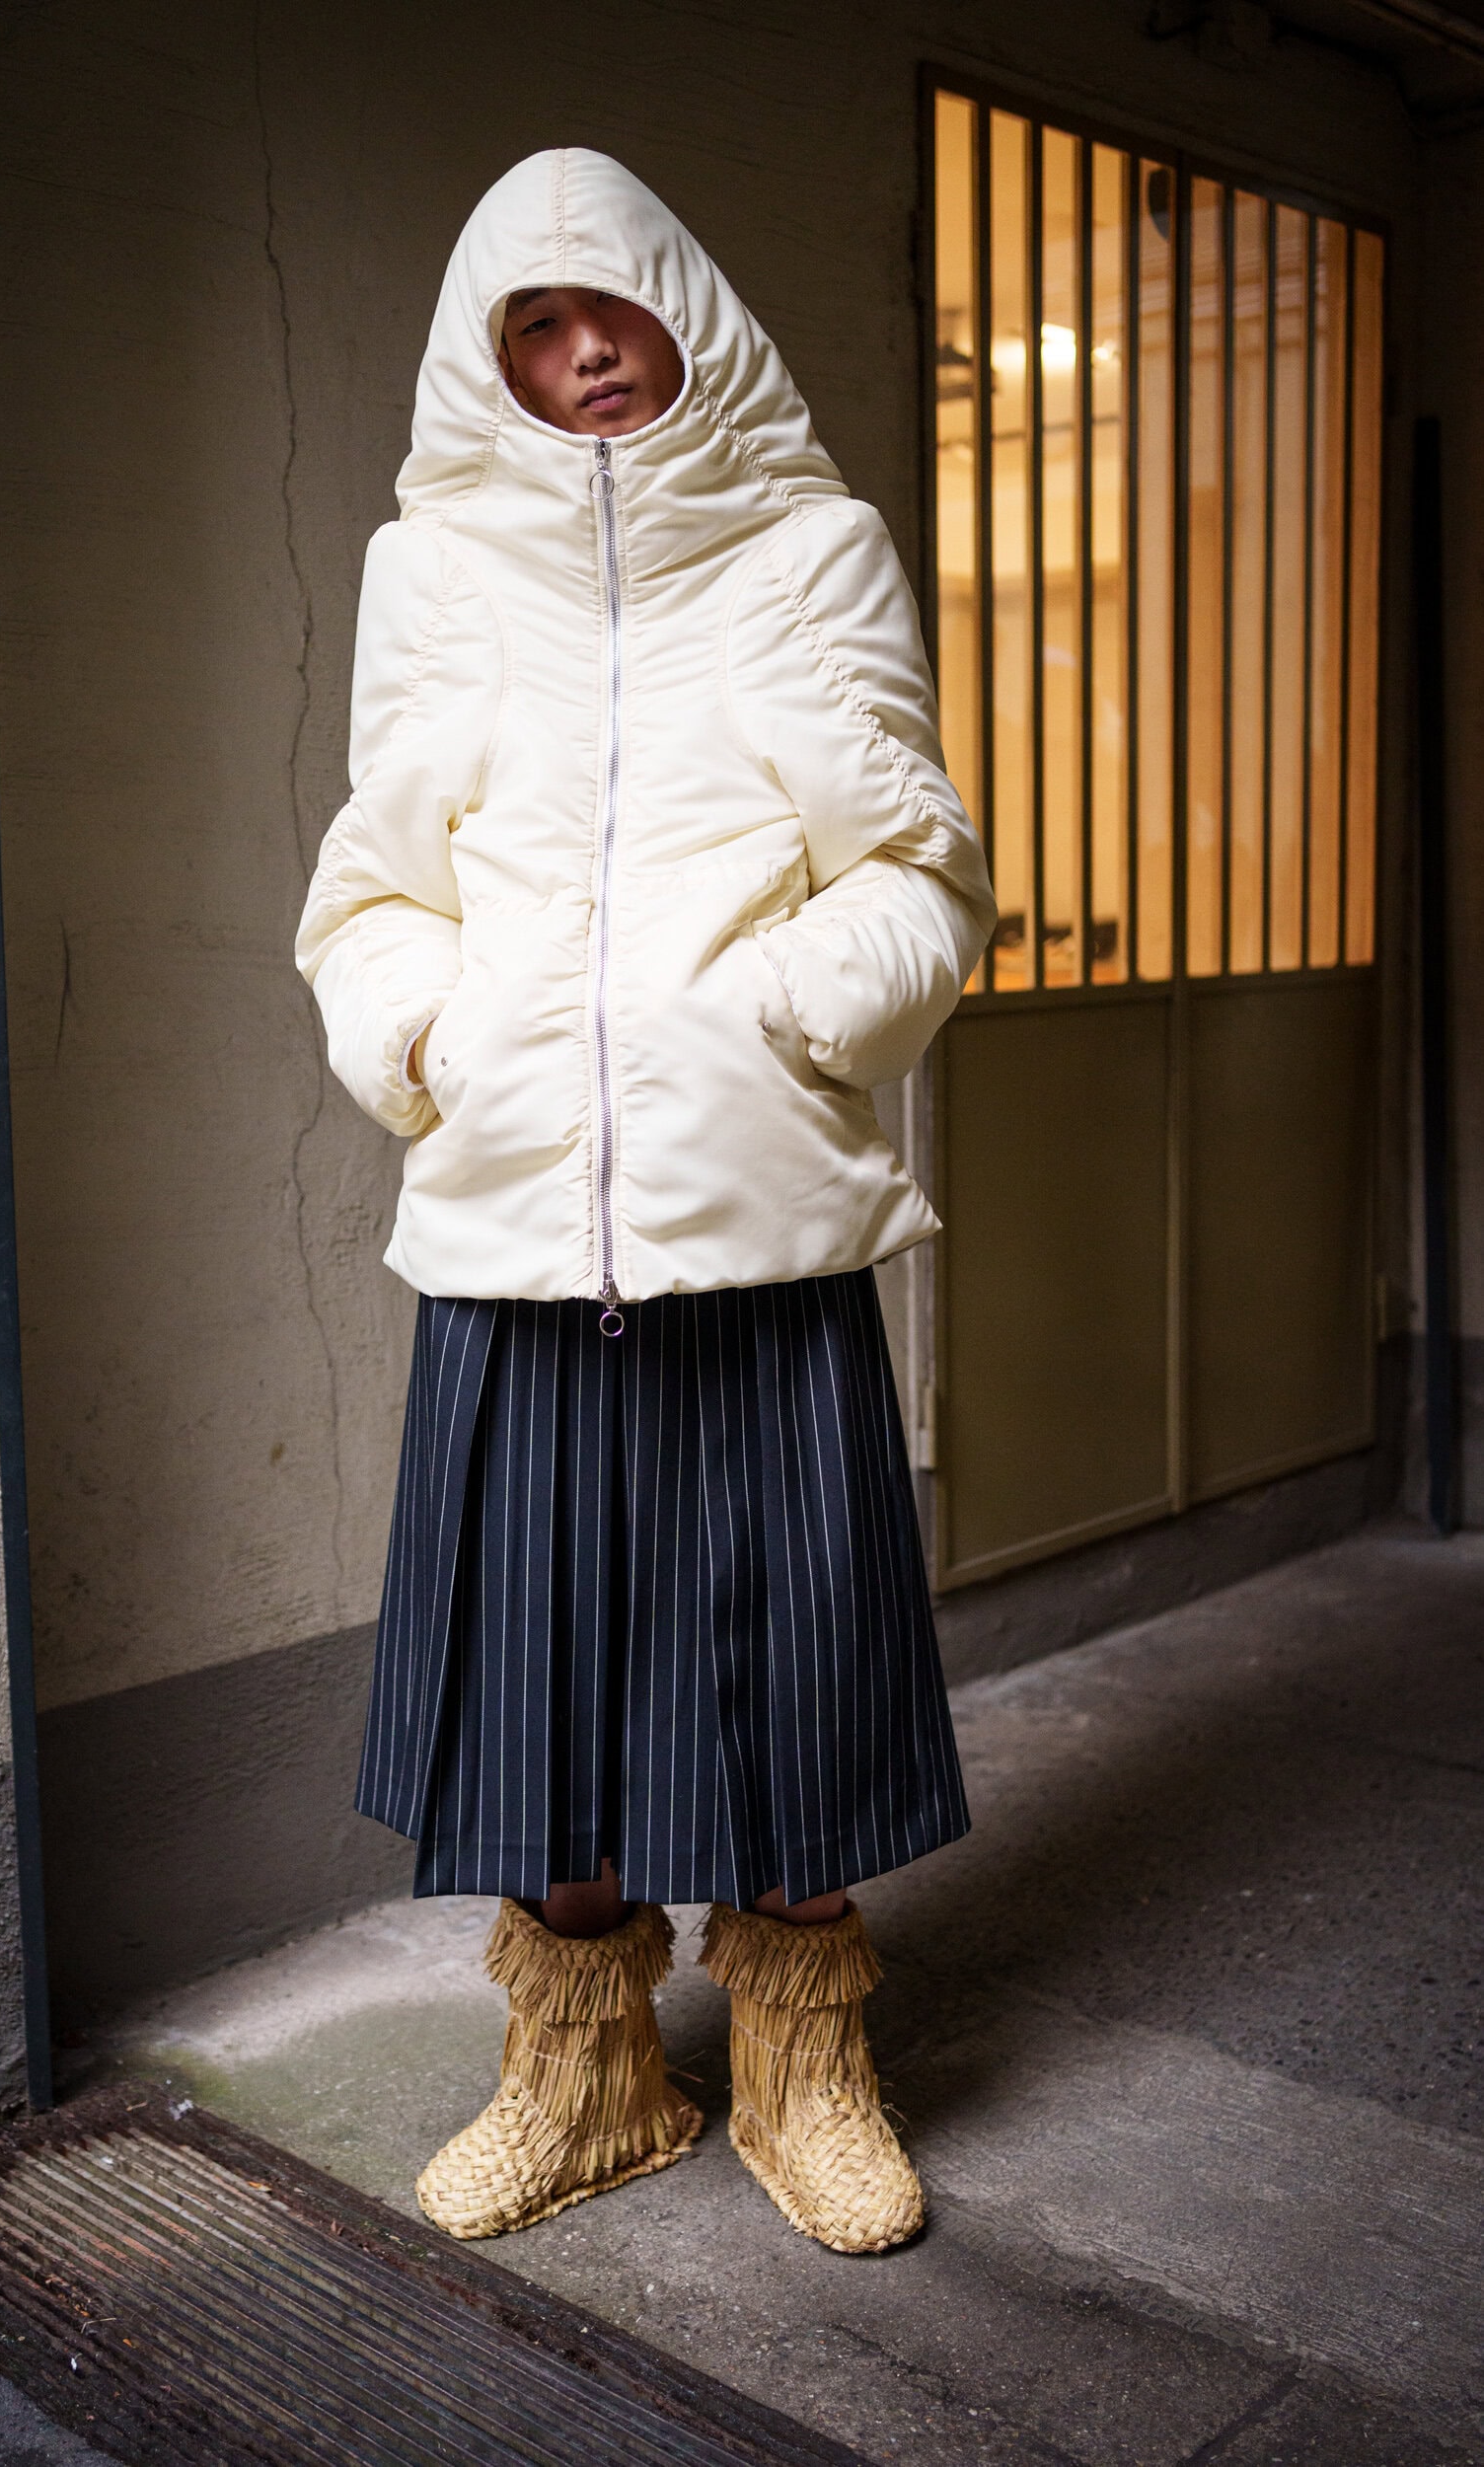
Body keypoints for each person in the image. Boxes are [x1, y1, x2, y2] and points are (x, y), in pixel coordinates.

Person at [296, 148, 996, 2258]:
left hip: (756, 1215)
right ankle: (585, 2072)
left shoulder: (814, 549)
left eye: (613, 309)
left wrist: (783, 1011)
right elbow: (374, 885)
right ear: (487, 356)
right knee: (542, 1685)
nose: (584, 348)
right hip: (521, 1221)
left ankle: (802, 2061)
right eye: (536, 320)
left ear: (686, 316)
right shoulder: (427, 571)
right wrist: (441, 1039)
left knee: (793, 1662)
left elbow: (922, 867)